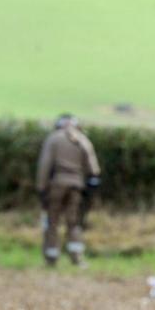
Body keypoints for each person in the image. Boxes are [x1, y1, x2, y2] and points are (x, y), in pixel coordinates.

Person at [36, 114, 101, 267]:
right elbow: (93, 168)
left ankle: (51, 257)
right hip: (77, 186)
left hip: (57, 185)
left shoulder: (53, 139)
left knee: (52, 222)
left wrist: (41, 187)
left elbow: (44, 165)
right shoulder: (82, 140)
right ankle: (76, 257)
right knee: (74, 222)